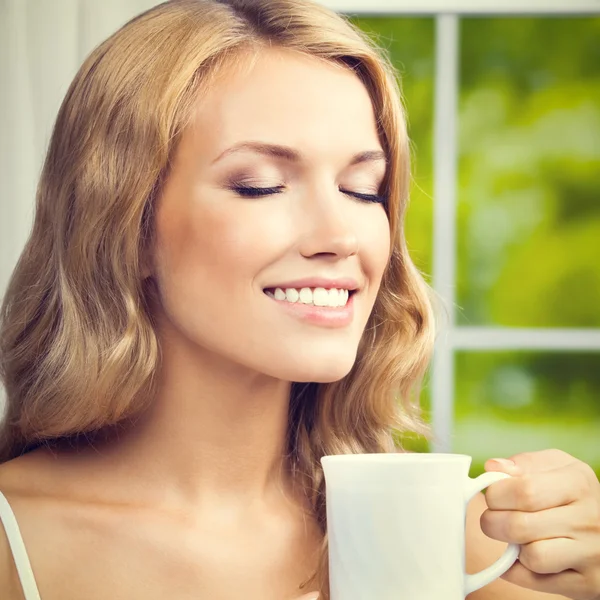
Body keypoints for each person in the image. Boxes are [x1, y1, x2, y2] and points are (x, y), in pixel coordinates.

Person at [0, 0, 598, 598]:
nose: (340, 236)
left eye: (364, 190)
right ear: (126, 227)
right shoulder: (16, 539)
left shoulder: (453, 542)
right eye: (260, 185)